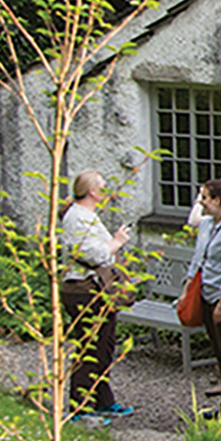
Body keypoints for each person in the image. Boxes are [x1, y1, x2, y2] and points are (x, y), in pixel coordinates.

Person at [55, 169, 134, 420]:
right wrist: (117, 241)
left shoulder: (86, 215)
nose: (106, 190)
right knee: (91, 346)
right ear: (91, 191)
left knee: (105, 345)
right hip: (83, 290)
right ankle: (80, 406)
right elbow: (94, 254)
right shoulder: (77, 218)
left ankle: (102, 400)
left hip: (95, 289)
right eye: (102, 185)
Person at [183, 174, 221, 417]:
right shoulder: (207, 224)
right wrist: (187, 287)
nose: (201, 203)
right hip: (205, 292)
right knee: (218, 351)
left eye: (206, 198)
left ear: (219, 201)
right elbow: (198, 257)